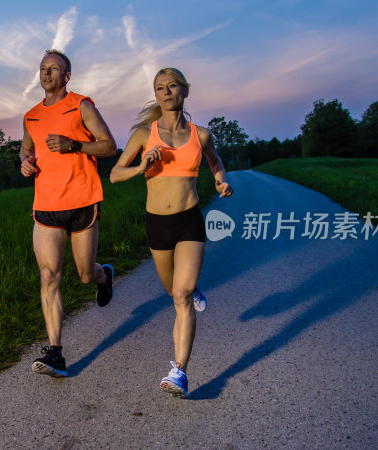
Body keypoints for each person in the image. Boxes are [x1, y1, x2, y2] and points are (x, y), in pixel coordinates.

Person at [110, 67, 233, 398]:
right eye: (160, 87)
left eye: (172, 86)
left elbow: (215, 162)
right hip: (157, 224)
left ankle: (179, 372)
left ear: (185, 91)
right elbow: (115, 174)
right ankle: (191, 291)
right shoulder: (142, 134)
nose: (166, 92)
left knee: (180, 296)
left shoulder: (201, 134)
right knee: (173, 291)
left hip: (189, 221)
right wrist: (140, 166)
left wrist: (220, 181)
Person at [20, 49, 118, 378]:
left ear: (67, 76)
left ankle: (104, 275)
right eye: (43, 68)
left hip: (82, 200)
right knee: (49, 276)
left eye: (54, 69)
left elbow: (109, 146)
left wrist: (74, 145)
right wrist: (25, 161)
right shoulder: (31, 115)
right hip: (46, 205)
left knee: (85, 274)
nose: (47, 73)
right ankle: (55, 353)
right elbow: (26, 146)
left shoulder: (81, 106)